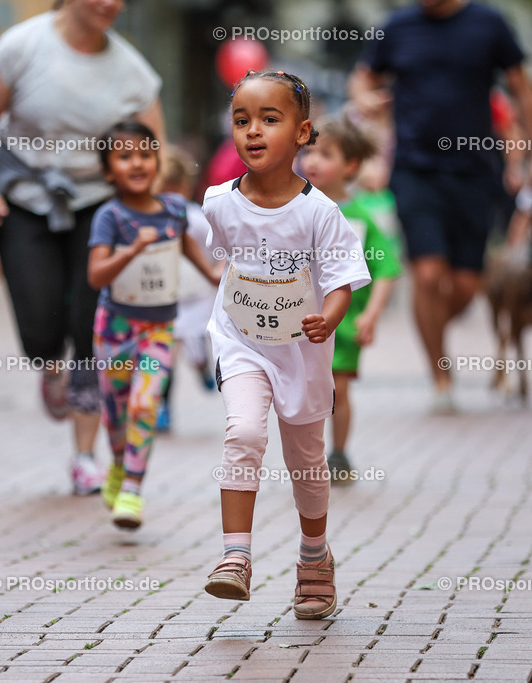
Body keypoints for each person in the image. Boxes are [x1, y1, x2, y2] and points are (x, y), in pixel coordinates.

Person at [0, 0, 165, 495]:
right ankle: (50, 365)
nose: (111, 4)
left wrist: (150, 213)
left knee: (91, 331)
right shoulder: (22, 47)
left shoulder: (132, 71)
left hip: (99, 206)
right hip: (27, 199)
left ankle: (84, 457)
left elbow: (154, 149)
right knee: (40, 331)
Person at [201, 71, 370, 620]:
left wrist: (328, 318)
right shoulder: (218, 202)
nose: (253, 130)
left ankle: (315, 555)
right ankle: (236, 557)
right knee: (244, 432)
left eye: (269, 119)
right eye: (242, 120)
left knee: (306, 461)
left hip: (301, 352)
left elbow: (342, 281)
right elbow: (226, 260)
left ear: (302, 133)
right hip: (241, 341)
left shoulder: (321, 213)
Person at [350, 0, 532, 413]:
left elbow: (520, 86)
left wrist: (526, 150)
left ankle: (429, 326)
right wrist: (365, 99)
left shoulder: (489, 23)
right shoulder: (398, 26)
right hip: (415, 170)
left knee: (467, 285)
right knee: (429, 274)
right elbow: (362, 78)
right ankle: (441, 378)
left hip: (475, 171)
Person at [88, 120, 219, 529]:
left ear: (158, 162)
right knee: (116, 414)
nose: (137, 163)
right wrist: (133, 250)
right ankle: (117, 463)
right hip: (115, 330)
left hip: (159, 329)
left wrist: (211, 273)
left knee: (145, 404)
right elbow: (96, 275)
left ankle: (132, 487)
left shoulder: (174, 209)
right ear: (108, 171)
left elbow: (184, 240)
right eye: (124, 156)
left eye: (145, 154)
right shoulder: (109, 216)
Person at [301, 116, 403, 483]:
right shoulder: (295, 207)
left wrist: (370, 315)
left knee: (338, 388)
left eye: (326, 154)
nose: (312, 161)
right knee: (305, 391)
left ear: (351, 165)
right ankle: (307, 455)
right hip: (299, 321)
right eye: (309, 151)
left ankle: (339, 453)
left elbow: (387, 267)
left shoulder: (360, 218)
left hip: (342, 325)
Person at [155, 148, 219, 434]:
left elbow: (214, 249)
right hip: (167, 297)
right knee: (167, 355)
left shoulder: (194, 218)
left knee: (194, 343)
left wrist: (215, 271)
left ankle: (202, 364)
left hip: (196, 294)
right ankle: (164, 407)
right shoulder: (152, 217)